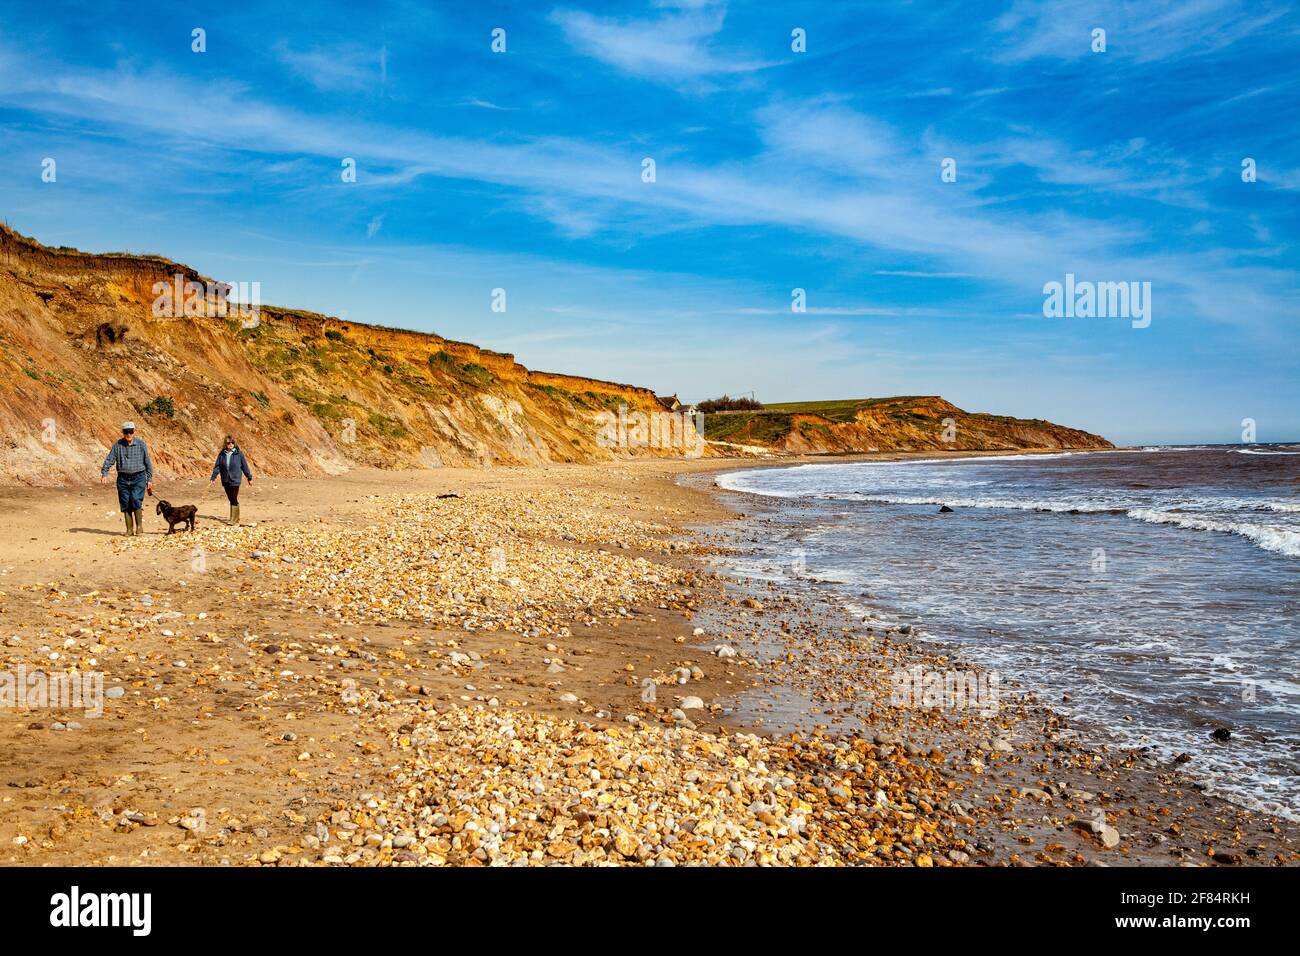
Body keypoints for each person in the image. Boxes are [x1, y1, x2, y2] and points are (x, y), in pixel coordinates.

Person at [100, 421, 154, 536]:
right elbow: (109, 460)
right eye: (126, 432)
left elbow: (148, 462)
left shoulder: (141, 444)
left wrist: (149, 480)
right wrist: (104, 473)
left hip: (139, 477)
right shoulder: (118, 445)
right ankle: (129, 529)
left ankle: (139, 527)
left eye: (130, 432)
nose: (128, 434)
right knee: (125, 503)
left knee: (135, 499)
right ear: (123, 433)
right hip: (123, 479)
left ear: (134, 432)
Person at [210, 435, 253, 524]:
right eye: (229, 442)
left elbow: (245, 466)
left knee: (233, 498)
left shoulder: (239, 453)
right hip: (225, 479)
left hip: (235, 479)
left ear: (234, 443)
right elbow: (217, 466)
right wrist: (213, 477)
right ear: (225, 444)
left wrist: (249, 477)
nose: (231, 444)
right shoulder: (222, 454)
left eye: (232, 442)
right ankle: (235, 518)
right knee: (231, 498)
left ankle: (233, 520)